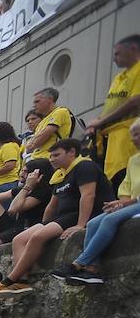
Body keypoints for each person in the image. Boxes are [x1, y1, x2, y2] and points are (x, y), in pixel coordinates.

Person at [0, 139, 115, 297]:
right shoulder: (60, 175)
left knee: (38, 237)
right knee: (19, 239)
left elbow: (88, 196)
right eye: (51, 156)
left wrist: (81, 224)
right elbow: (51, 206)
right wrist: (43, 223)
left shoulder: (84, 167)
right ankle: (23, 281)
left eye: (56, 155)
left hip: (83, 213)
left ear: (72, 152)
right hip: (63, 216)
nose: (52, 159)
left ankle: (10, 279)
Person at [52, 118, 140, 285]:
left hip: (136, 204)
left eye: (137, 134)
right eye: (132, 135)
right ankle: (93, 269)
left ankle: (79, 263)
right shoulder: (133, 160)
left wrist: (126, 204)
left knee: (109, 219)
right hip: (132, 204)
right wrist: (121, 203)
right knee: (92, 224)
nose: (134, 139)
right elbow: (126, 188)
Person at [85, 35, 140, 192]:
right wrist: (97, 122)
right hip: (112, 139)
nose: (114, 59)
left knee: (123, 176)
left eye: (117, 54)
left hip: (128, 134)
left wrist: (101, 122)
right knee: (114, 182)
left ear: (133, 49)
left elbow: (135, 101)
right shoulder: (119, 77)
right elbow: (112, 105)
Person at [24, 88, 73, 161]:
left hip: (50, 159)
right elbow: (29, 147)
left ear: (50, 99)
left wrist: (33, 143)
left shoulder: (60, 112)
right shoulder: (43, 121)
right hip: (37, 159)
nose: (34, 105)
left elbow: (38, 140)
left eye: (37, 101)